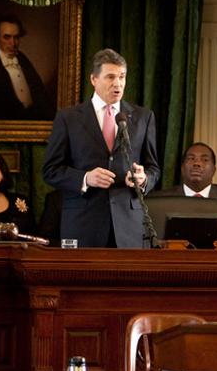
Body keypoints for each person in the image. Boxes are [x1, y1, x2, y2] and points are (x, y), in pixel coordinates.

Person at [43, 48, 160, 248]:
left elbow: (153, 169)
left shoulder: (143, 117)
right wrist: (85, 178)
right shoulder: (68, 118)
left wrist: (143, 179)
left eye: (122, 76)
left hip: (129, 228)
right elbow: (50, 170)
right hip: (83, 224)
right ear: (94, 79)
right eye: (110, 77)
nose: (118, 83)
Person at [150, 142, 217, 249]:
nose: (197, 163)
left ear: (214, 170)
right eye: (191, 158)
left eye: (205, 160)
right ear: (182, 168)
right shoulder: (157, 200)